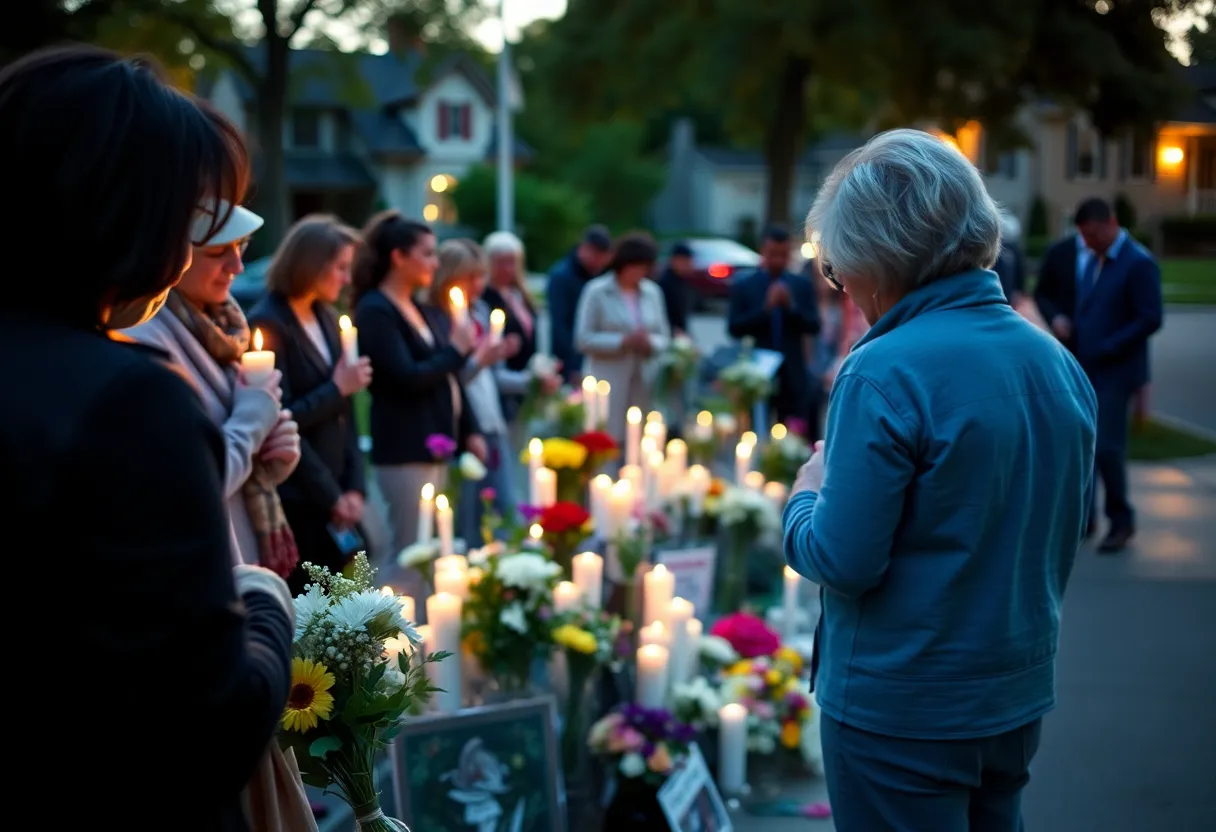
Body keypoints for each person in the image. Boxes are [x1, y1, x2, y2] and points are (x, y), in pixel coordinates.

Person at [0, 45, 293, 827]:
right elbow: (209, 726)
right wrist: (265, 608)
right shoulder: (125, 401)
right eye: (192, 218)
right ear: (122, 210)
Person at [783, 129, 1098, 832]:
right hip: (1012, 695)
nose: (845, 288)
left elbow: (841, 559)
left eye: (839, 269)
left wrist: (805, 491)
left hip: (900, 707)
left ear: (879, 255)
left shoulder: (884, 368)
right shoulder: (1053, 362)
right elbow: (1060, 523)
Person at [130, 201, 303, 576]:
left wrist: (273, 454)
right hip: (205, 573)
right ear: (171, 254)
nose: (238, 266)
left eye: (241, 245)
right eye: (217, 252)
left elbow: (230, 456)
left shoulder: (220, 326)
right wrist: (252, 421)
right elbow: (190, 484)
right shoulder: (146, 341)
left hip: (240, 562)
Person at [353, 211, 486, 597]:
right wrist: (458, 350)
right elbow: (406, 377)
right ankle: (388, 643)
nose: (435, 263)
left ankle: (428, 637)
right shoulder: (376, 310)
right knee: (409, 552)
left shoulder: (421, 308)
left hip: (434, 443)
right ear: (399, 256)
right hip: (404, 446)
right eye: (427, 254)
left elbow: (446, 379)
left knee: (431, 549)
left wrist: (470, 429)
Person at [248, 215, 372, 595]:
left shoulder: (326, 317)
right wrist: (331, 496)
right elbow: (279, 420)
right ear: (311, 264)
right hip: (300, 496)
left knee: (353, 589)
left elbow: (346, 415)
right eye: (340, 268)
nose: (347, 278)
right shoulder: (268, 323)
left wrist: (354, 488)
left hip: (337, 489)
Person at [1034, 197, 1163, 553]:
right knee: (1083, 444)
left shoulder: (1137, 263)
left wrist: (1109, 345)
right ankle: (1084, 518)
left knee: (1107, 448)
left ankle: (1121, 520)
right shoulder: (1101, 259)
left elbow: (1151, 316)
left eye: (1092, 235)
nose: (1087, 244)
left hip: (1116, 371)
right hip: (1087, 367)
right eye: (1083, 237)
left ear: (1111, 223)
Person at [574, 232, 671, 441]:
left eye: (644, 268)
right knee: (607, 435)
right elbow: (583, 338)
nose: (639, 273)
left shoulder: (652, 293)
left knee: (639, 436)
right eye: (635, 267)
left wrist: (649, 342)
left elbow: (663, 337)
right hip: (608, 378)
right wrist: (622, 341)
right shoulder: (597, 291)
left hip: (642, 377)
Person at [727, 226, 821, 432]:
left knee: (792, 432)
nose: (778, 260)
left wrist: (791, 307)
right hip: (756, 372)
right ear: (763, 251)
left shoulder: (801, 285)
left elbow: (814, 326)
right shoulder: (745, 285)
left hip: (792, 373)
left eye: (783, 255)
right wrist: (765, 310)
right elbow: (734, 327)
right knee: (755, 429)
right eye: (773, 254)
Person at [482, 230, 540, 421]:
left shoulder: (519, 294)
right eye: (501, 262)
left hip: (524, 380)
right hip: (504, 382)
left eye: (512, 262)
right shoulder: (486, 298)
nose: (508, 269)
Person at [547, 224, 614, 383]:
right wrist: (572, 367)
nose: (599, 262)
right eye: (596, 255)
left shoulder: (602, 276)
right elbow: (560, 326)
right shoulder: (561, 277)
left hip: (600, 359)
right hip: (572, 361)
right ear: (584, 248)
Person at [656, 240, 692, 336]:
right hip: (667, 333)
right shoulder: (664, 282)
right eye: (685, 261)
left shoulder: (683, 281)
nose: (688, 264)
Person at [993, 211, 1026, 306]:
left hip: (1009, 291)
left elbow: (1020, 271)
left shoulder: (1015, 250)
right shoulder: (991, 249)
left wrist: (1019, 290)